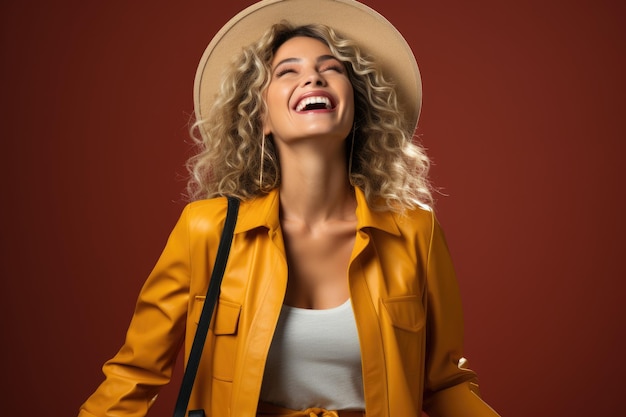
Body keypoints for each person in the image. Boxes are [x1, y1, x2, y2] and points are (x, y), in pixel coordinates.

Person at [78, 1, 500, 416]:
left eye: (331, 68)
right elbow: (134, 375)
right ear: (260, 116)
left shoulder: (415, 233)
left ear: (357, 107)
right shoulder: (206, 229)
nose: (313, 78)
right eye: (287, 71)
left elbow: (444, 384)